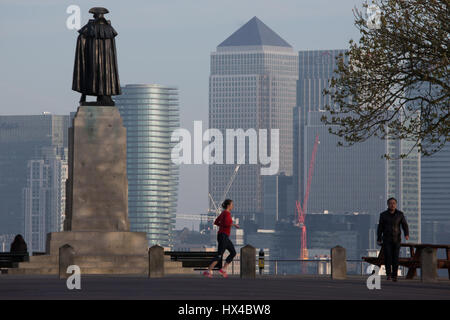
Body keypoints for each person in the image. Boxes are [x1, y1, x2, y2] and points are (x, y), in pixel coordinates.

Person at [203, 199, 239, 278]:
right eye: (232, 205)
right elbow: (226, 223)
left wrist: (223, 226)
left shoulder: (223, 213)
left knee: (233, 252)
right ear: (228, 205)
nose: (233, 206)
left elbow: (216, 222)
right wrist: (234, 225)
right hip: (223, 236)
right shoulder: (227, 213)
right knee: (219, 255)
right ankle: (208, 270)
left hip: (223, 236)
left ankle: (223, 269)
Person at [377, 197, 409, 282]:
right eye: (390, 203)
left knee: (395, 258)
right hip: (386, 239)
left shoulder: (400, 214)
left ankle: (395, 275)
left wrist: (406, 234)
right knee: (388, 257)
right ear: (388, 204)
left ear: (396, 204)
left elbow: (404, 225)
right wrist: (379, 238)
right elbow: (380, 227)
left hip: (396, 239)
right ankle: (388, 274)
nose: (392, 205)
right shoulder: (383, 215)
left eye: (394, 203)